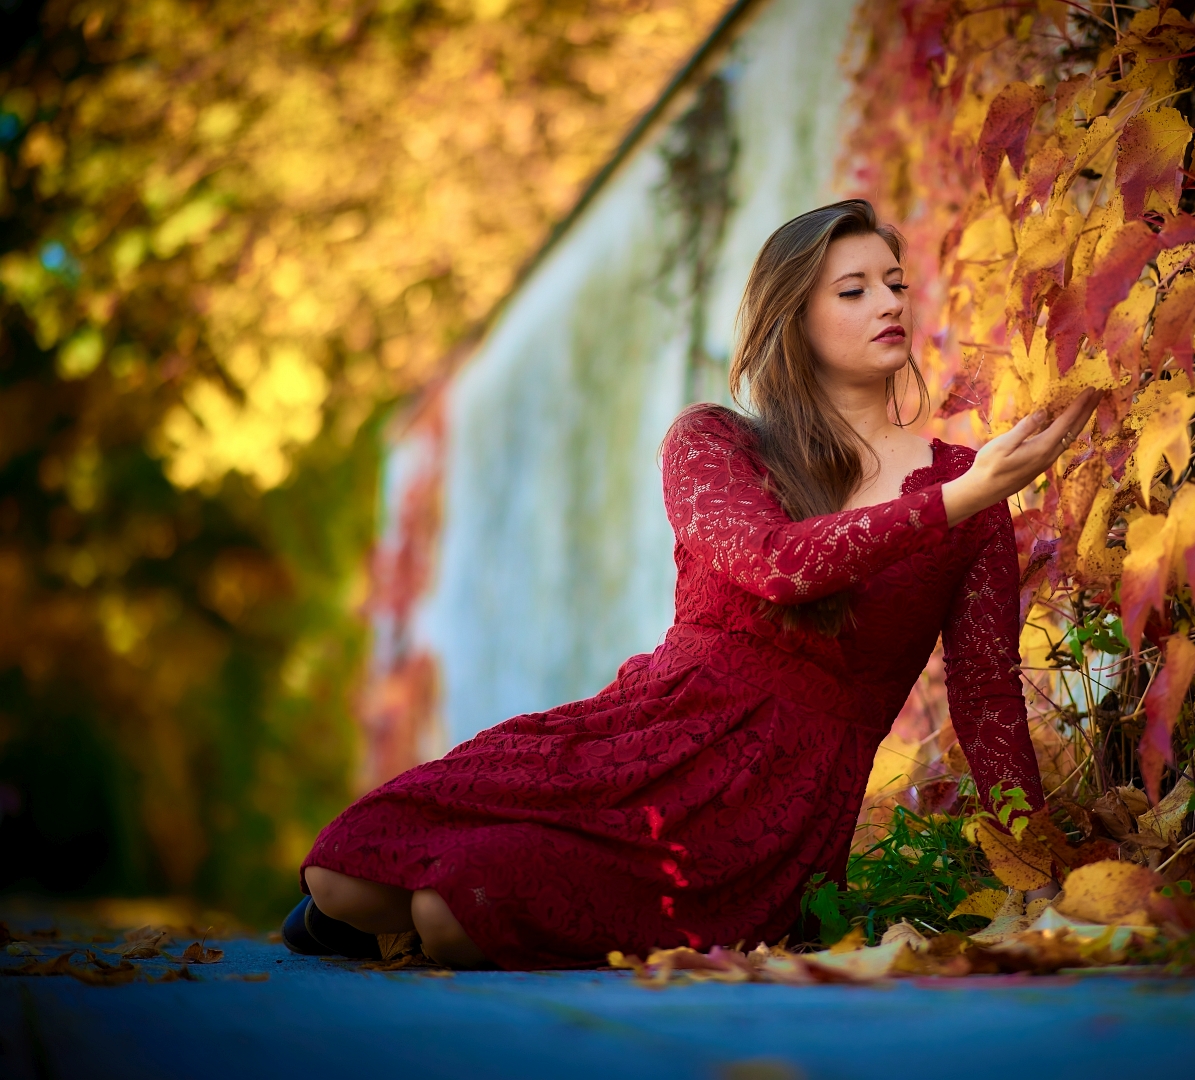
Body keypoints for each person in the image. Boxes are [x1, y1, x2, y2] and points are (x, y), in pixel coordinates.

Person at [284, 199, 1097, 969]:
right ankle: (366, 921)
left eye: (894, 284)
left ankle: (437, 922)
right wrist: (962, 498)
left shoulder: (970, 489)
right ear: (794, 318)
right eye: (853, 290)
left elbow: (986, 697)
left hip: (771, 813)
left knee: (449, 913)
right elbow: (776, 564)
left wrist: (1039, 879)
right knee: (339, 872)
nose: (887, 302)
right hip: (636, 741)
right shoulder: (716, 443)